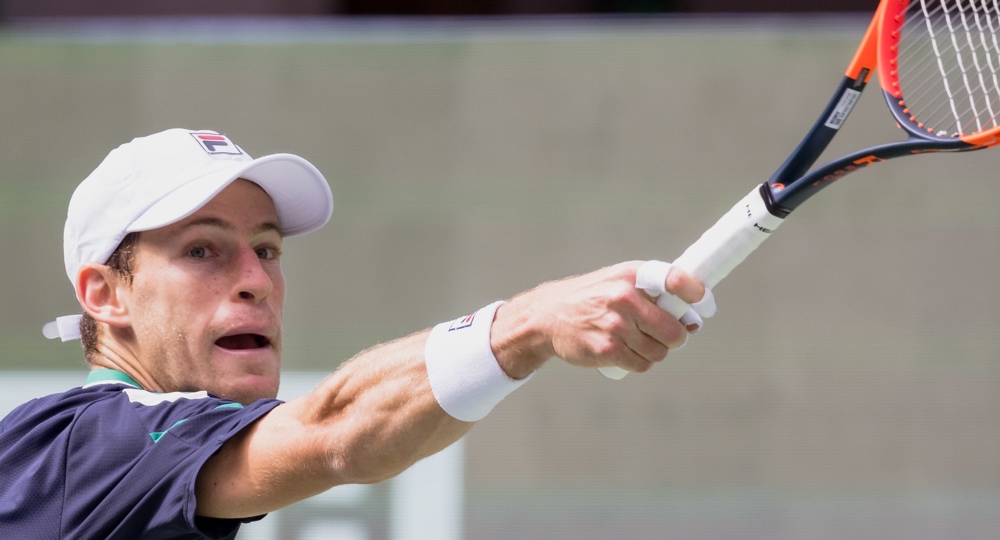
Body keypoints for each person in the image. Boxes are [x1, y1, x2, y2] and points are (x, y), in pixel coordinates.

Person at [0, 128, 713, 539]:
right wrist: (528, 323)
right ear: (105, 294)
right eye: (202, 250)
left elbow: (367, 435)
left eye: (268, 248)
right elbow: (338, 435)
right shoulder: (90, 443)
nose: (255, 278)